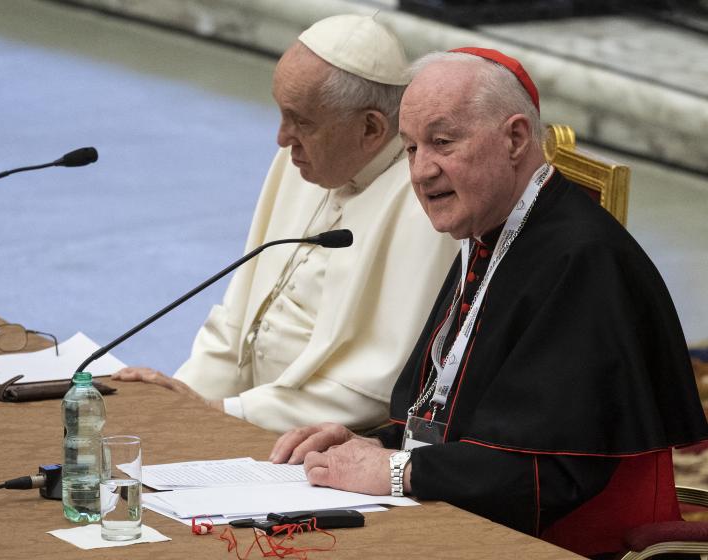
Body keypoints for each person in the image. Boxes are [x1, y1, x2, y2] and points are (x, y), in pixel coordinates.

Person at [270, 47, 708, 557]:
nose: (421, 171)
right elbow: (460, 413)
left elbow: (550, 472)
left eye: (442, 142)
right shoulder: (488, 236)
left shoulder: (584, 261)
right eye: (411, 148)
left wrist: (397, 471)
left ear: (516, 139)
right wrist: (377, 444)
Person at [113, 15, 457, 433]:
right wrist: (181, 400)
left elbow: (373, 389)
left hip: (322, 443)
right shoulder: (299, 161)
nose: (281, 138)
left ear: (371, 127)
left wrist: (223, 413)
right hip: (243, 416)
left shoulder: (423, 198)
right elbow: (236, 321)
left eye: (302, 122)